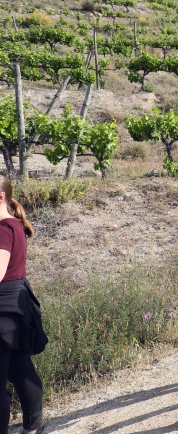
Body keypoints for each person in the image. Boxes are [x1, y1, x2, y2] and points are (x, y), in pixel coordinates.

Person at [0, 176, 45, 434]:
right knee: (20, 369)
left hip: (3, 307)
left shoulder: (3, 229)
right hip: (15, 305)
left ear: (0, 197)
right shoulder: (14, 225)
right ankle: (34, 428)